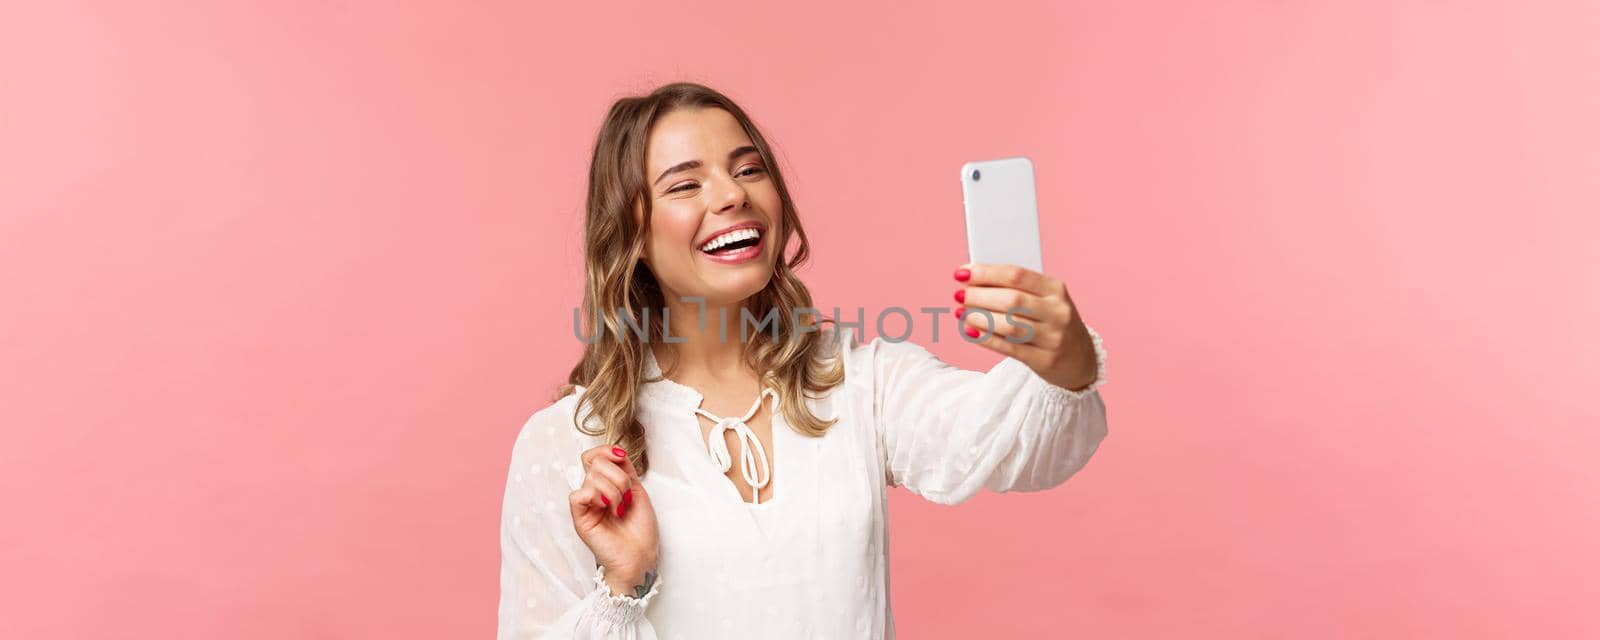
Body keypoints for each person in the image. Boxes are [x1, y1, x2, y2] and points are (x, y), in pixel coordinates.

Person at [497, 82, 1109, 639]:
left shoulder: (859, 383)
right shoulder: (566, 446)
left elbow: (1012, 444)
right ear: (630, 232)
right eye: (685, 184)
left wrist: (1066, 359)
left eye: (749, 169)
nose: (733, 194)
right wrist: (624, 585)